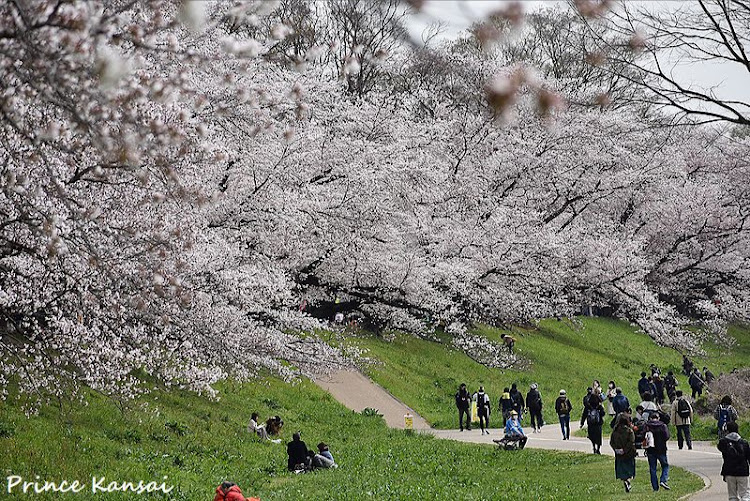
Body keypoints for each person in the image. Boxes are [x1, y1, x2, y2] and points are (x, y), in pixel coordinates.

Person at [717, 421, 750, 501]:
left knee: (732, 496)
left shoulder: (723, 442)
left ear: (727, 431)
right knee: (744, 494)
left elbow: (720, 447)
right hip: (743, 472)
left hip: (729, 472)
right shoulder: (744, 443)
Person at [610, 414, 637, 493]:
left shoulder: (615, 431)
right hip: (629, 453)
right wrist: (625, 450)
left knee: (621, 468)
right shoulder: (629, 431)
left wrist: (616, 449)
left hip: (618, 454)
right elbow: (631, 441)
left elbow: (612, 442)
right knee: (629, 468)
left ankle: (625, 480)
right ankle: (628, 480)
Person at [645, 413, 671, 491]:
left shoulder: (647, 426)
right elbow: (667, 436)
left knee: (652, 468)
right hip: (661, 449)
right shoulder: (663, 426)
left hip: (650, 450)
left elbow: (643, 436)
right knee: (665, 465)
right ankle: (663, 480)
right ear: (658, 418)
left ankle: (655, 487)